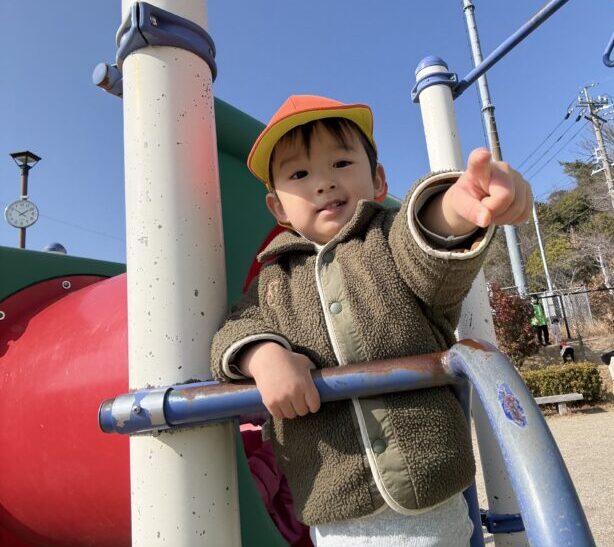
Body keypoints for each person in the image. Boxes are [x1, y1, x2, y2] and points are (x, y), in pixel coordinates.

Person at [210, 94, 531, 546]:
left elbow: (426, 242)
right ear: (278, 208)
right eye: (299, 175)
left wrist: (458, 207)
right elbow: (235, 327)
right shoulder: (273, 279)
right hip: (335, 507)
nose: (324, 182)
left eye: (341, 163)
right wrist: (263, 356)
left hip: (430, 498)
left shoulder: (388, 238)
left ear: (378, 180)